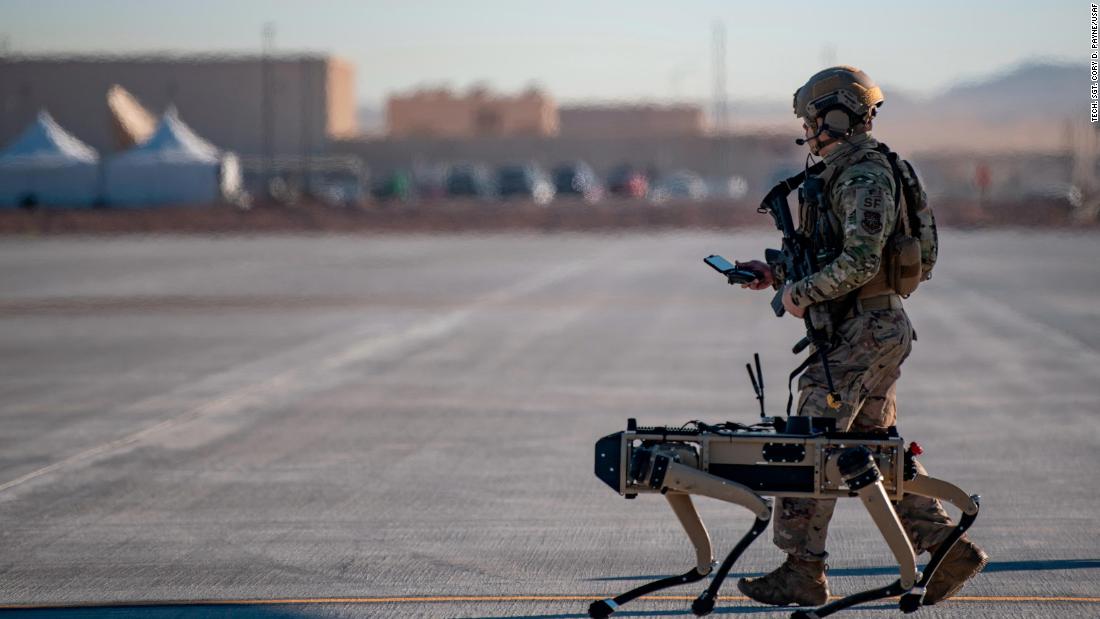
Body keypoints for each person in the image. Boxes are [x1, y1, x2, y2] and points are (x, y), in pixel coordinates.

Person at [733, 66, 988, 607]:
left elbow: (859, 262)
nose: (807, 131)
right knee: (869, 451)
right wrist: (777, 275)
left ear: (839, 116)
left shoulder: (863, 176)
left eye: (812, 120)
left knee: (809, 444)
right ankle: (947, 549)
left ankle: (803, 570)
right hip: (866, 328)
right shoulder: (847, 172)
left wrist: (799, 294)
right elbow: (840, 261)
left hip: (864, 331)